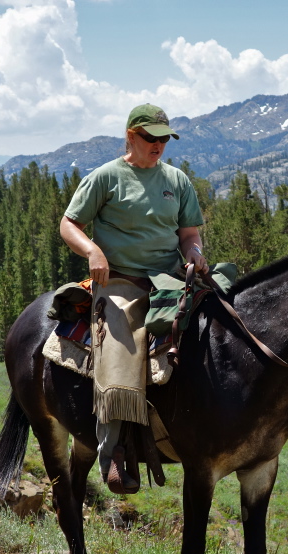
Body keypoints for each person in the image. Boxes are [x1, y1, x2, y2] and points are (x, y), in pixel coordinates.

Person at [60, 103, 207, 494]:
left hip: (170, 278)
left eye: (164, 138)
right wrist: (92, 252)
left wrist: (194, 251)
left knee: (222, 316)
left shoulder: (177, 180)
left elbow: (188, 233)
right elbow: (68, 223)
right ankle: (114, 454)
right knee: (121, 349)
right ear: (131, 136)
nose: (158, 144)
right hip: (120, 280)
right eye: (150, 137)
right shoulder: (106, 177)